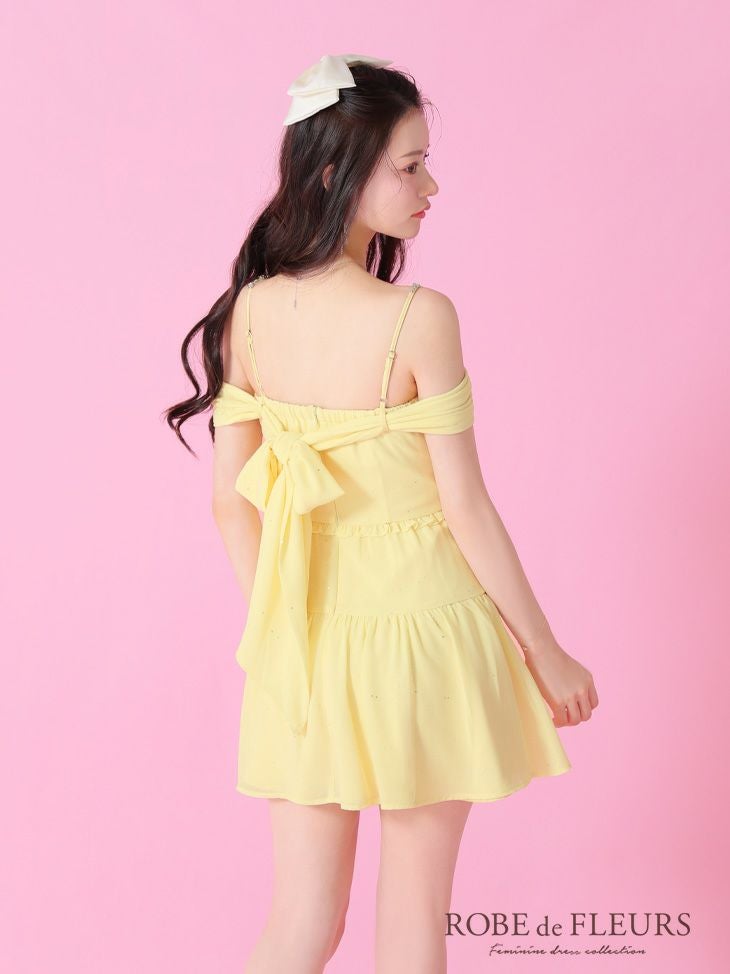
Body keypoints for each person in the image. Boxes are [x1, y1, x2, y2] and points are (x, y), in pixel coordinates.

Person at [164, 53, 599, 974]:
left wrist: (278, 632)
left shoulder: (249, 313)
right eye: (410, 166)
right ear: (337, 173)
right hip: (426, 635)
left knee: (300, 925)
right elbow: (466, 508)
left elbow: (229, 504)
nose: (429, 186)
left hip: (305, 644)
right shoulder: (419, 318)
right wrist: (545, 651)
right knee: (412, 933)